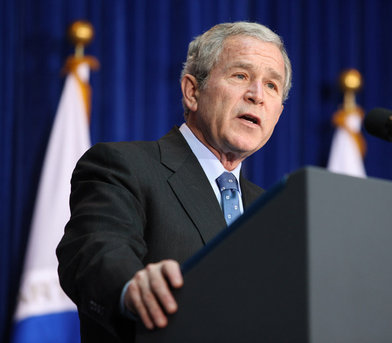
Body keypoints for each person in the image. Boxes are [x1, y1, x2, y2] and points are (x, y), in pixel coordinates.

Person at [56, 21, 292, 342]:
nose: (257, 96)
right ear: (192, 91)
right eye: (241, 76)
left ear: (278, 113)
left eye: (272, 86)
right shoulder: (123, 166)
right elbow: (96, 250)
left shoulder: (271, 209)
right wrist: (132, 285)